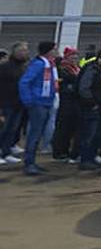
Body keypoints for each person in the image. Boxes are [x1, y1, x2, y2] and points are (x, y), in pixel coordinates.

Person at [18, 41, 58, 175]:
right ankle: (29, 163)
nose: (56, 51)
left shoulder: (48, 65)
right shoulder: (39, 65)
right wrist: (28, 100)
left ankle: (32, 161)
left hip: (45, 102)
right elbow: (24, 82)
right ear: (49, 51)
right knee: (34, 134)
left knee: (37, 133)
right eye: (54, 49)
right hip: (38, 102)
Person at [76, 48, 101, 170]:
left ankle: (92, 157)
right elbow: (84, 88)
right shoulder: (91, 70)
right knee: (89, 134)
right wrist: (92, 103)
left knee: (98, 134)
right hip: (93, 107)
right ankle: (85, 159)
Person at [0, 41, 30, 164]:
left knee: (12, 129)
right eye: (22, 50)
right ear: (15, 52)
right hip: (6, 103)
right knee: (4, 129)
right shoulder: (4, 67)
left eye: (26, 50)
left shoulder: (23, 67)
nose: (25, 53)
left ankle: (6, 152)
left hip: (18, 103)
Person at [51, 47, 81, 163]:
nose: (75, 58)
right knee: (63, 128)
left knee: (71, 128)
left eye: (76, 56)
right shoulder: (62, 68)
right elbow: (68, 80)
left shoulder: (76, 68)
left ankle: (65, 150)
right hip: (65, 102)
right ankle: (59, 151)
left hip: (74, 102)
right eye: (72, 56)